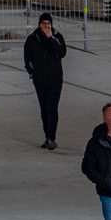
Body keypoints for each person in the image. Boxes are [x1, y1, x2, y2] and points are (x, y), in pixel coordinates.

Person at [23, 12, 67, 149]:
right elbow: (27, 58)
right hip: (40, 79)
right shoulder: (32, 39)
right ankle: (46, 136)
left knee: (52, 108)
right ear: (39, 24)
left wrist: (51, 38)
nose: (46, 27)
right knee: (44, 109)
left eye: (48, 24)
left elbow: (62, 53)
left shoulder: (57, 36)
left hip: (55, 79)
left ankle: (52, 137)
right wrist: (32, 73)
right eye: (43, 24)